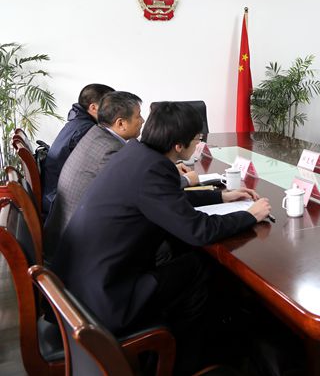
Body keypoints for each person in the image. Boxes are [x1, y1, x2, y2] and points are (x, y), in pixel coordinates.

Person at [51, 102, 271, 373]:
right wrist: (250, 215)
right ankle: (188, 362)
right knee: (200, 267)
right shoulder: (152, 169)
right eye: (196, 140)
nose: (198, 145)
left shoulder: (135, 153)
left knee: (184, 258)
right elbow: (199, 231)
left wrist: (220, 196)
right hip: (106, 299)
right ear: (179, 146)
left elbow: (167, 200)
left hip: (79, 284)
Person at [43, 91, 146, 259]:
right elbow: (138, 191)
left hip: (65, 233)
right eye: (139, 116)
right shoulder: (111, 149)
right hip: (78, 249)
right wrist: (182, 179)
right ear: (120, 123)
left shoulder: (96, 134)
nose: (143, 121)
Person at [41, 83, 115, 216]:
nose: (114, 111)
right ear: (93, 107)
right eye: (110, 106)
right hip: (59, 204)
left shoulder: (77, 122)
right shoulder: (86, 130)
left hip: (53, 195)